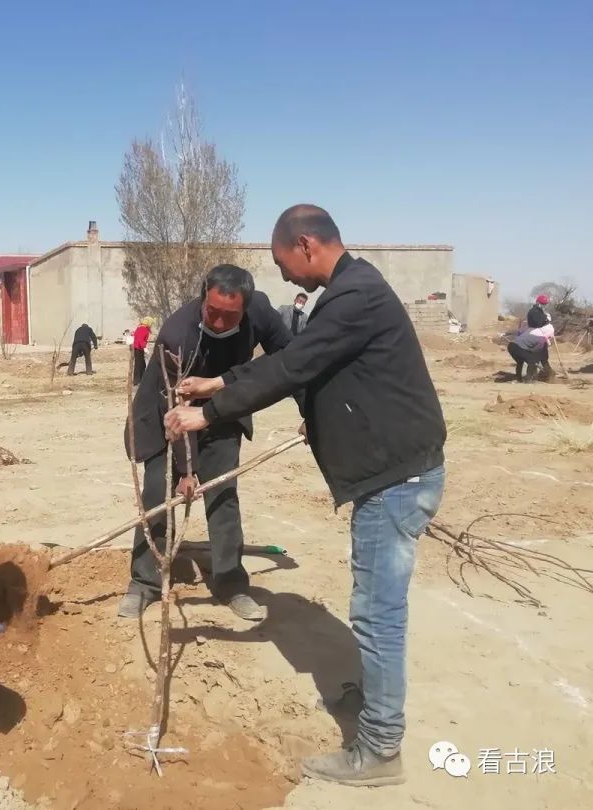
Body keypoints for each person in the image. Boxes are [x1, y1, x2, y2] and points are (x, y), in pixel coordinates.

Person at [165, 205, 446, 788]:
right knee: (376, 610)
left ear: (306, 244)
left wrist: (208, 411)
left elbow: (294, 365)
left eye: (281, 263)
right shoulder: (351, 291)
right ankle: (375, 707)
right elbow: (304, 363)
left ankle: (379, 750)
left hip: (393, 480)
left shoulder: (354, 295)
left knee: (376, 616)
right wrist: (222, 381)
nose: (285, 276)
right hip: (390, 471)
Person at [118, 264, 298, 622]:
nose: (218, 322)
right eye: (211, 312)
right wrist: (187, 470)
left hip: (223, 410)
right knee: (157, 494)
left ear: (245, 309)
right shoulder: (177, 334)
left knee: (223, 496)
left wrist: (312, 413)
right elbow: (177, 410)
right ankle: (144, 583)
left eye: (229, 316)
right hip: (166, 416)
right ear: (202, 299)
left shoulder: (260, 312)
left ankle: (231, 583)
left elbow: (294, 361)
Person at [132, 317, 154, 384]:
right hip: (139, 348)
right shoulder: (143, 329)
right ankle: (137, 380)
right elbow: (140, 339)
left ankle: (141, 379)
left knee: (142, 364)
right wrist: (144, 348)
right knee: (139, 365)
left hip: (138, 348)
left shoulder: (140, 327)